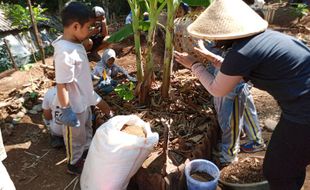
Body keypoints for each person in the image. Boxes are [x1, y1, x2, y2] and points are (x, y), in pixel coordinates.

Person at [174, 0, 310, 189]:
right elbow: (241, 68)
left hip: (303, 112)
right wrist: (214, 59)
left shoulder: (240, 54)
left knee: (277, 170)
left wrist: (194, 65)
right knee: (293, 163)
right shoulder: (265, 38)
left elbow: (217, 89)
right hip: (301, 105)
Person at [52, 2, 100, 175]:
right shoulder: (64, 53)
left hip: (83, 101)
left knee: (86, 130)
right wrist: (66, 110)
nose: (90, 31)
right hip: (73, 106)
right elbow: (62, 86)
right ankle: (73, 163)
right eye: (88, 27)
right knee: (75, 138)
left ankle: (86, 153)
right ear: (75, 26)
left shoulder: (74, 43)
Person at [200, 41, 265, 166]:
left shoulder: (229, 41)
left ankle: (229, 154)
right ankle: (256, 140)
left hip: (231, 80)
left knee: (231, 118)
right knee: (244, 106)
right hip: (236, 74)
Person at [42, 86, 113, 148]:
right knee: (90, 110)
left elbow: (47, 116)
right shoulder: (87, 92)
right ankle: (87, 139)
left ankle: (57, 137)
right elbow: (105, 107)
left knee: (46, 117)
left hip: (58, 130)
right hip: (79, 132)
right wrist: (111, 117)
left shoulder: (49, 93)